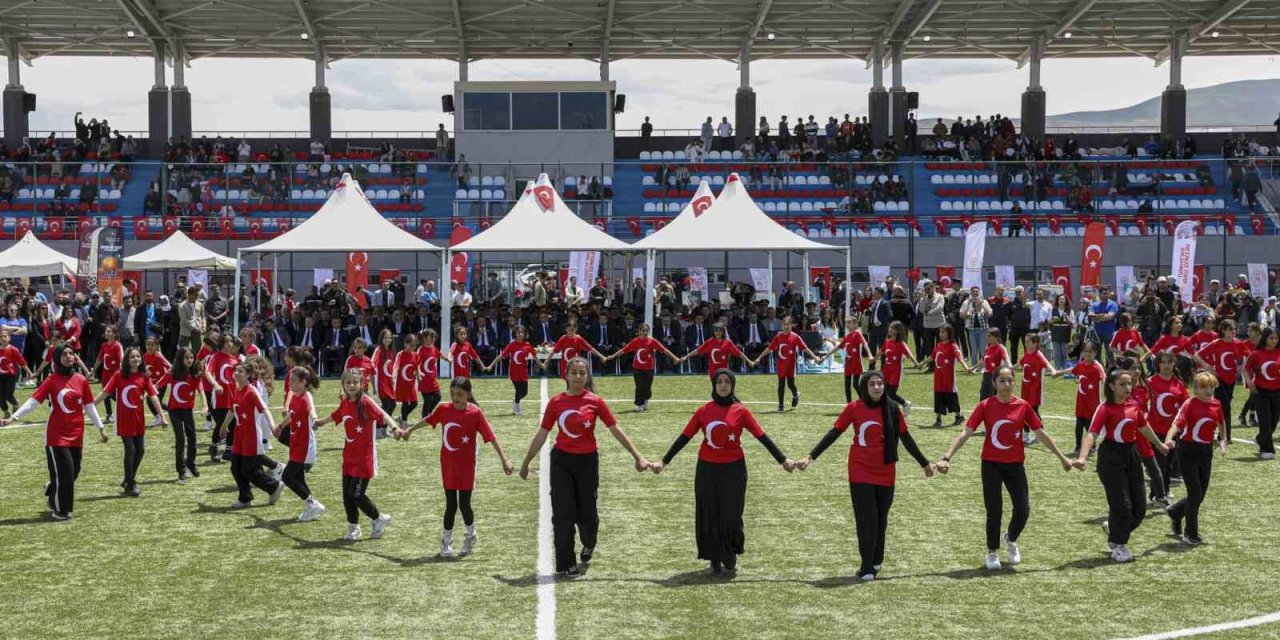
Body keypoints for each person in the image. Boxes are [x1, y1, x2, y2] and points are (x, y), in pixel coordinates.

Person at [651, 369, 796, 576]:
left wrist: (783, 460)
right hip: (707, 469)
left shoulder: (741, 411)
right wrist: (664, 461)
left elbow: (761, 436)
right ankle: (714, 558)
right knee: (709, 513)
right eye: (719, 381)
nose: (723, 385)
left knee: (731, 515)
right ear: (714, 385)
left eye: (727, 381)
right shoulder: (703, 411)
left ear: (732, 385)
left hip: (733, 470)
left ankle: (730, 553)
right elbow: (684, 437)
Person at [795, 371, 936, 581]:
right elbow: (834, 433)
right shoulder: (854, 408)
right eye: (872, 384)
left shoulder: (892, 409)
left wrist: (925, 464)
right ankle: (867, 566)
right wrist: (810, 456)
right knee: (866, 519)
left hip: (886, 471)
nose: (877, 387)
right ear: (864, 387)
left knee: (881, 519)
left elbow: (906, 438)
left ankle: (877, 559)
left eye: (880, 383)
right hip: (860, 470)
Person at [518, 357, 652, 578]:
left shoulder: (595, 401)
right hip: (561, 461)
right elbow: (542, 434)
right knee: (563, 514)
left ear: (587, 376)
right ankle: (566, 562)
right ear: (566, 375)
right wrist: (525, 463)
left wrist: (638, 456)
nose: (578, 376)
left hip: (587, 462)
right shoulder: (556, 402)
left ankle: (589, 542)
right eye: (574, 372)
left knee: (587, 515)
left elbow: (615, 429)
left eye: (582, 373)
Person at [935, 365, 1073, 570]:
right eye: (1002, 381)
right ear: (994, 383)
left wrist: (1062, 457)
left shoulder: (1023, 406)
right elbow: (966, 432)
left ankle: (1010, 538)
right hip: (991, 465)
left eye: (1010, 380)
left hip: (1015, 466)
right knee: (994, 510)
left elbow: (1040, 434)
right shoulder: (985, 405)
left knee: (1023, 510)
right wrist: (947, 457)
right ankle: (992, 552)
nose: (1007, 384)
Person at [400, 376, 514, 557]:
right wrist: (409, 430)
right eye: (452, 394)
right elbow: (429, 420)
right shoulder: (444, 409)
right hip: (448, 464)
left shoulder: (475, 413)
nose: (455, 398)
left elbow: (491, 437)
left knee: (464, 504)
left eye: (459, 394)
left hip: (466, 466)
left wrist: (504, 460)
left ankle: (470, 535)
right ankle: (446, 542)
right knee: (450, 505)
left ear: (468, 394)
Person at [1070, 369, 1171, 563]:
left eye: (1130, 384)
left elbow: (1143, 427)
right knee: (1122, 506)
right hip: (1110, 457)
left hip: (1131, 455)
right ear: (1111, 386)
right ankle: (1118, 545)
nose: (1128, 388)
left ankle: (1114, 529)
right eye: (1123, 384)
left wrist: (1160, 445)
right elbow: (1092, 433)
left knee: (1140, 509)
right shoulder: (1105, 408)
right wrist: (1082, 457)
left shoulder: (1133, 407)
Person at [0, 345, 106, 520]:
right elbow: (33, 402)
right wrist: (14, 418)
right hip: (56, 436)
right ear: (57, 358)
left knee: (74, 471)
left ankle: (53, 487)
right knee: (66, 473)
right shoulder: (51, 380)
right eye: (64, 354)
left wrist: (101, 427)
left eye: (71, 354)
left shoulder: (81, 380)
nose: (69, 356)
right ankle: (62, 511)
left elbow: (88, 406)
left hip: (77, 435)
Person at [314, 368, 396, 542]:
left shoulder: (366, 402)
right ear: (343, 384)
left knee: (356, 495)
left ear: (361, 384)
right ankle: (354, 528)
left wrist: (395, 428)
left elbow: (383, 415)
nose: (351, 385)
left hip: (363, 459)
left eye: (355, 382)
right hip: (349, 458)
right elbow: (336, 415)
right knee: (347, 496)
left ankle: (378, 518)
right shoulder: (345, 403)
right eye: (348, 382)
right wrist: (321, 422)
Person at [1163, 372, 1228, 545]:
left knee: (1200, 493)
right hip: (1188, 451)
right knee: (1195, 492)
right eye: (1203, 387)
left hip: (1206, 452)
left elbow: (1221, 423)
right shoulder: (1189, 404)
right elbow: (1176, 424)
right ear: (1195, 389)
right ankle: (1190, 533)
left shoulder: (1217, 404)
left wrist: (1222, 440)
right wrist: (1169, 439)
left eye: (1211, 387)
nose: (1208, 391)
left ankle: (1176, 512)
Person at [94, 347, 167, 496]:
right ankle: (130, 484)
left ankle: (128, 478)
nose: (136, 359)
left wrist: (162, 416)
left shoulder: (144, 376)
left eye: (138, 357)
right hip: (124, 419)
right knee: (130, 449)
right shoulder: (119, 375)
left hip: (138, 419)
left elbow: (153, 396)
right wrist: (90, 405)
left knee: (140, 450)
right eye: (132, 357)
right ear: (127, 360)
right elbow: (106, 392)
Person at [220, 362, 285, 508]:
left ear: (248, 375)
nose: (236, 373)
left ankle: (274, 486)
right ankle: (245, 498)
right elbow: (232, 410)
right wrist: (223, 426)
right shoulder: (237, 390)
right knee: (235, 468)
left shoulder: (252, 391)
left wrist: (273, 426)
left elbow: (265, 409)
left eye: (240, 371)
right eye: (236, 370)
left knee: (248, 470)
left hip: (251, 436)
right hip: (239, 436)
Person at [277, 366, 326, 522]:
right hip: (296, 443)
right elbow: (291, 415)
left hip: (304, 446)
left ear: (303, 382)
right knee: (299, 478)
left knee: (287, 476)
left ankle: (312, 504)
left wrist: (316, 419)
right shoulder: (296, 396)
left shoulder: (306, 397)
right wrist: (280, 426)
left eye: (293, 380)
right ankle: (311, 506)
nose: (290, 383)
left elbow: (311, 411)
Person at [1192, 319, 1247, 441]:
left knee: (1224, 406)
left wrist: (1242, 366)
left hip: (1231, 379)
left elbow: (1247, 354)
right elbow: (1196, 356)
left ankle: (1219, 432)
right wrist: (1206, 366)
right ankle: (1226, 436)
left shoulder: (1238, 343)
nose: (1233, 332)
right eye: (1230, 329)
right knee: (1225, 406)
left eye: (1234, 329)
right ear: (1223, 330)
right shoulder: (1216, 343)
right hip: (1219, 379)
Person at [605, 323, 678, 412]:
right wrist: (613, 356)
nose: (645, 332)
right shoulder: (634, 341)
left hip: (649, 368)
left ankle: (646, 399)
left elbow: (664, 350)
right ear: (639, 331)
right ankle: (639, 404)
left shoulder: (652, 341)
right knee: (639, 386)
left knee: (647, 387)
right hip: (637, 367)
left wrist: (674, 358)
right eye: (643, 330)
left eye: (647, 331)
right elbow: (623, 350)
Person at [1051, 340, 1105, 457]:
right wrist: (1059, 373)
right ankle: (1078, 446)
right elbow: (1072, 370)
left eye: (1090, 351)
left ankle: (1093, 445)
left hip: (1092, 404)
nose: (1087, 354)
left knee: (1089, 426)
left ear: (1095, 353)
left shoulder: (1097, 367)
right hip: (1081, 403)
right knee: (1078, 426)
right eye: (1085, 351)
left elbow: (1104, 379)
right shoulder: (1081, 365)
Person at [160, 347, 205, 483]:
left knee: (192, 438)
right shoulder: (173, 372)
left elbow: (201, 390)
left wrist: (205, 405)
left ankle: (190, 462)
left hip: (187, 411)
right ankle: (181, 470)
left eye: (191, 357)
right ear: (180, 359)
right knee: (180, 439)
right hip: (174, 411)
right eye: (186, 358)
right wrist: (145, 394)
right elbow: (158, 385)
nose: (189, 360)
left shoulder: (195, 373)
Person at [755, 316, 818, 412]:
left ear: (791, 325)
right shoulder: (778, 336)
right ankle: (781, 405)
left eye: (788, 324)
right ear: (782, 326)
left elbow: (805, 348)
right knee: (781, 384)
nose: (786, 326)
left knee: (790, 384)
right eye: (784, 324)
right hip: (781, 365)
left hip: (791, 365)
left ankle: (795, 394)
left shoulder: (795, 337)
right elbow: (769, 348)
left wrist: (815, 357)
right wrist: (759, 358)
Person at [488, 325, 543, 415]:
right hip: (514, 372)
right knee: (518, 390)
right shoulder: (511, 345)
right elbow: (501, 356)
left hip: (523, 372)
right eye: (518, 332)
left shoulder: (527, 345)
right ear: (515, 334)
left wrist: (542, 365)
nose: (521, 334)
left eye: (522, 332)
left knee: (524, 392)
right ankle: (517, 407)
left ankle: (516, 400)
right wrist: (491, 365)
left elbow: (535, 357)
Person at [1243, 326, 1280, 459]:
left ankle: (1260, 438)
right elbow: (1246, 369)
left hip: (1277, 392)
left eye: (1276, 338)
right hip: (1261, 392)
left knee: (1275, 420)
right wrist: (1250, 383)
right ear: (1265, 339)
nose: (1274, 340)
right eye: (1271, 338)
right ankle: (1266, 449)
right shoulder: (1256, 353)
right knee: (1265, 421)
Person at [930, 325, 975, 427]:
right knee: (938, 397)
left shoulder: (953, 346)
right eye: (940, 332)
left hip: (949, 378)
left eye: (944, 332)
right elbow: (932, 356)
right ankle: (938, 419)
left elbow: (960, 358)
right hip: (938, 378)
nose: (941, 334)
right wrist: (921, 364)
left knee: (951, 397)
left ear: (949, 333)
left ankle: (959, 416)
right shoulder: (939, 345)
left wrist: (967, 368)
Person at [876, 321, 919, 411]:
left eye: (893, 329)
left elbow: (909, 354)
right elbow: (881, 350)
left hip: (896, 371)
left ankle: (905, 403)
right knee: (884, 391)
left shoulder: (901, 344)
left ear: (898, 331)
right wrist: (874, 358)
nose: (890, 330)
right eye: (890, 328)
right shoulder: (887, 342)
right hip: (886, 370)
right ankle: (887, 410)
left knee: (891, 393)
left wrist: (916, 364)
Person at [836, 318, 872, 404]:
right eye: (846, 323)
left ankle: (864, 401)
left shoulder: (857, 334)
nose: (847, 324)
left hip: (856, 363)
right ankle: (849, 404)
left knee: (855, 384)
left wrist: (870, 354)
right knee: (847, 384)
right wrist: (825, 356)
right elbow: (838, 347)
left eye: (849, 323)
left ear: (855, 324)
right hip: (848, 363)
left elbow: (865, 343)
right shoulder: (847, 336)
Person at [0, 328, 33, 417]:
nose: (3, 338)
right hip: (0, 376)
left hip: (11, 375)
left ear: (9, 338)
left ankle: (15, 402)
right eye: (1, 337)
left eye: (5, 336)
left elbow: (22, 362)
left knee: (8, 395)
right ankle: (6, 412)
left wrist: (29, 373)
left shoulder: (13, 349)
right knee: (1, 397)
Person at [94, 325, 124, 423]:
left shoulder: (117, 345)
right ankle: (109, 415)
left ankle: (124, 407)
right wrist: (93, 371)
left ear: (114, 334)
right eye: (106, 331)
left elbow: (121, 360)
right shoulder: (104, 345)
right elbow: (99, 359)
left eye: (109, 331)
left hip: (114, 375)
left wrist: (121, 372)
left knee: (113, 395)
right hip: (105, 374)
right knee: (105, 394)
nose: (106, 333)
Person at [391, 332, 421, 426]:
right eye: (410, 345)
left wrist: (419, 375)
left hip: (411, 382)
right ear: (405, 344)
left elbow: (417, 367)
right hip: (402, 383)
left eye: (414, 346)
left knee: (414, 403)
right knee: (405, 402)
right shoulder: (401, 354)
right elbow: (396, 366)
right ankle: (404, 422)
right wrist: (394, 375)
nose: (412, 347)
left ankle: (401, 417)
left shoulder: (416, 355)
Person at [415, 329, 443, 419]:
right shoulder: (421, 350)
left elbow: (439, 355)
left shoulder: (433, 347)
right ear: (425, 338)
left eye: (434, 337)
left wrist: (448, 360)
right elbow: (417, 363)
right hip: (424, 380)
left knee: (438, 396)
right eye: (432, 337)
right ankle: (424, 417)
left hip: (432, 379)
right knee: (427, 399)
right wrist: (419, 372)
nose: (433, 339)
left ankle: (428, 413)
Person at [979, 328, 1011, 401]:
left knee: (992, 398)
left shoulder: (1001, 347)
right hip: (986, 376)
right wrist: (971, 368)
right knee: (983, 398)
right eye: (987, 336)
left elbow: (1007, 359)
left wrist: (1010, 371)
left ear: (996, 337)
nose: (987, 338)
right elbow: (982, 360)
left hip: (994, 376)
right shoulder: (988, 348)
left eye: (989, 336)